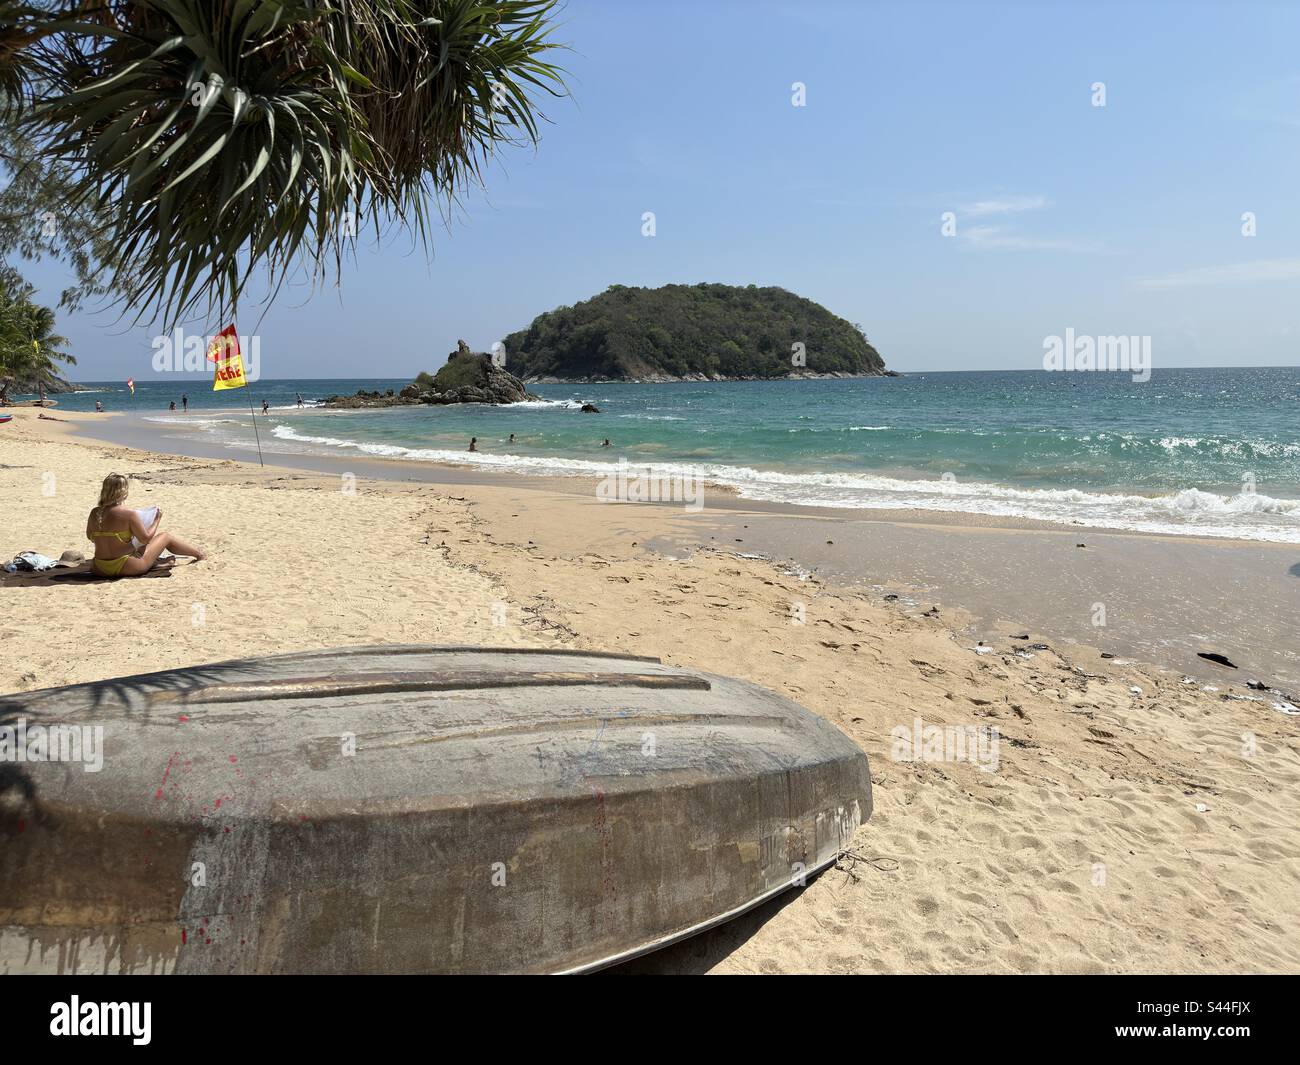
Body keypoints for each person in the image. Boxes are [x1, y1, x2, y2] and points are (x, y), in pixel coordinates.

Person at [85, 473, 205, 578]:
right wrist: (156, 519)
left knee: (137, 544)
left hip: (100, 567)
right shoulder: (129, 514)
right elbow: (146, 539)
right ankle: (199, 554)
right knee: (165, 536)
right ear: (123, 492)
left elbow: (90, 536)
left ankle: (159, 563)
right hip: (127, 566)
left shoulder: (95, 512)